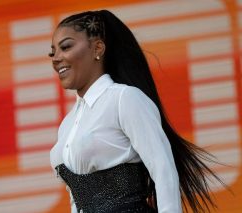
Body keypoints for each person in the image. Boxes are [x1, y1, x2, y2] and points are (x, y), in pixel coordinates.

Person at [49, 10, 223, 213]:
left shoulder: (124, 99)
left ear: (98, 48)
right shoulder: (67, 125)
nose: (56, 58)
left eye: (66, 47)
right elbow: (76, 200)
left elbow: (163, 170)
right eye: (52, 52)